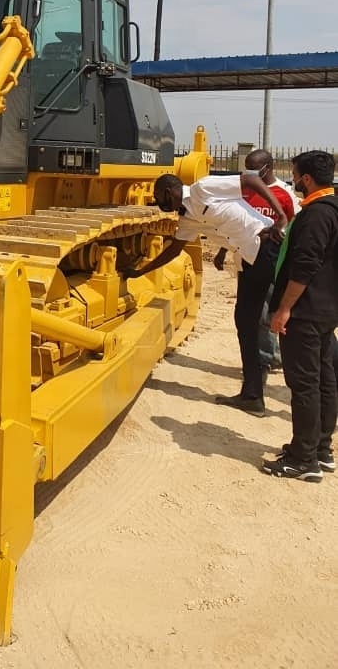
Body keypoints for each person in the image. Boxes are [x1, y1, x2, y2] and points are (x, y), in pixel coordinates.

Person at [126, 170, 288, 416]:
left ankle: (266, 390)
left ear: (169, 193)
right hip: (246, 259)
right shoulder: (187, 221)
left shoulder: (204, 188)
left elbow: (251, 179)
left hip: (267, 245)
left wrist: (281, 216)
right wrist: (140, 272)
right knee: (245, 322)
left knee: (295, 316)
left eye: (159, 198)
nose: (159, 204)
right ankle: (253, 395)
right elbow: (174, 250)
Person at [263, 151, 338, 482]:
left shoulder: (315, 216)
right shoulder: (332, 210)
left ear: (306, 179)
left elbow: (305, 266)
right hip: (325, 308)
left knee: (305, 384)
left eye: (295, 175)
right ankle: (319, 449)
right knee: (324, 379)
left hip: (305, 312)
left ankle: (304, 459)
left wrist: (284, 309)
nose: (293, 181)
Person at [213, 150, 300, 371]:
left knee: (265, 311)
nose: (250, 173)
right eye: (247, 167)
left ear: (268, 167)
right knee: (255, 312)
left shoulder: (284, 193)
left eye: (255, 168)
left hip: (272, 260)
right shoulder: (244, 192)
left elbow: (295, 226)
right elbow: (235, 224)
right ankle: (268, 356)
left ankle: (265, 359)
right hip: (246, 259)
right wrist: (223, 251)